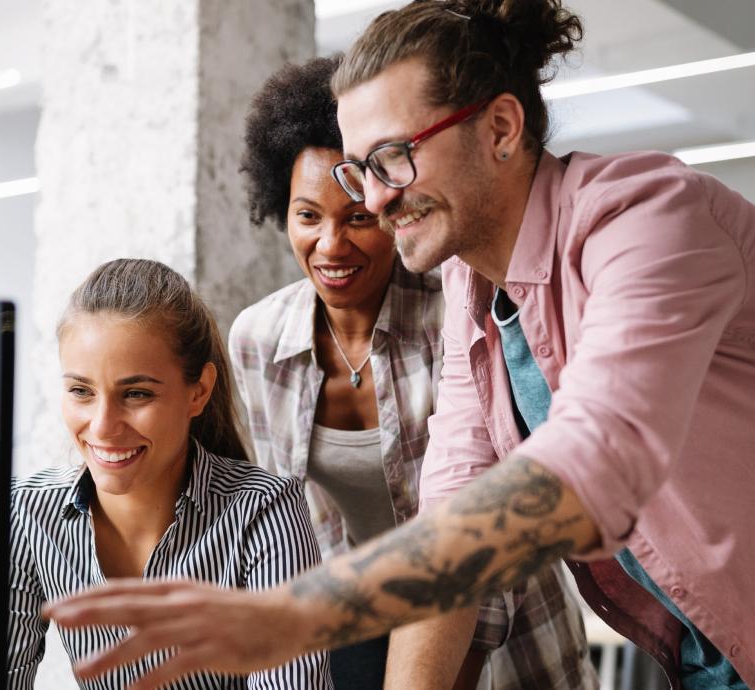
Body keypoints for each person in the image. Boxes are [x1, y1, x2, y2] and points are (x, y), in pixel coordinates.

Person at [43, 2, 755, 689]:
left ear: (501, 129)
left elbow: (596, 463)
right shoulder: (474, 295)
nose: (376, 201)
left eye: (391, 158)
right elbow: (449, 524)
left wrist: (299, 611)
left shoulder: (650, 219)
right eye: (361, 169)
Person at [231, 54, 594, 690]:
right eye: (307, 216)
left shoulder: (459, 311)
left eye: (358, 218)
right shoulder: (259, 342)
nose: (331, 245)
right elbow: (278, 533)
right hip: (353, 651)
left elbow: (489, 527)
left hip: (509, 646)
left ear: (390, 205)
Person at [8, 258, 331, 689]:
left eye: (136, 393)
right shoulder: (27, 512)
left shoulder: (264, 510)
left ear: (198, 391)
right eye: (81, 391)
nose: (102, 426)